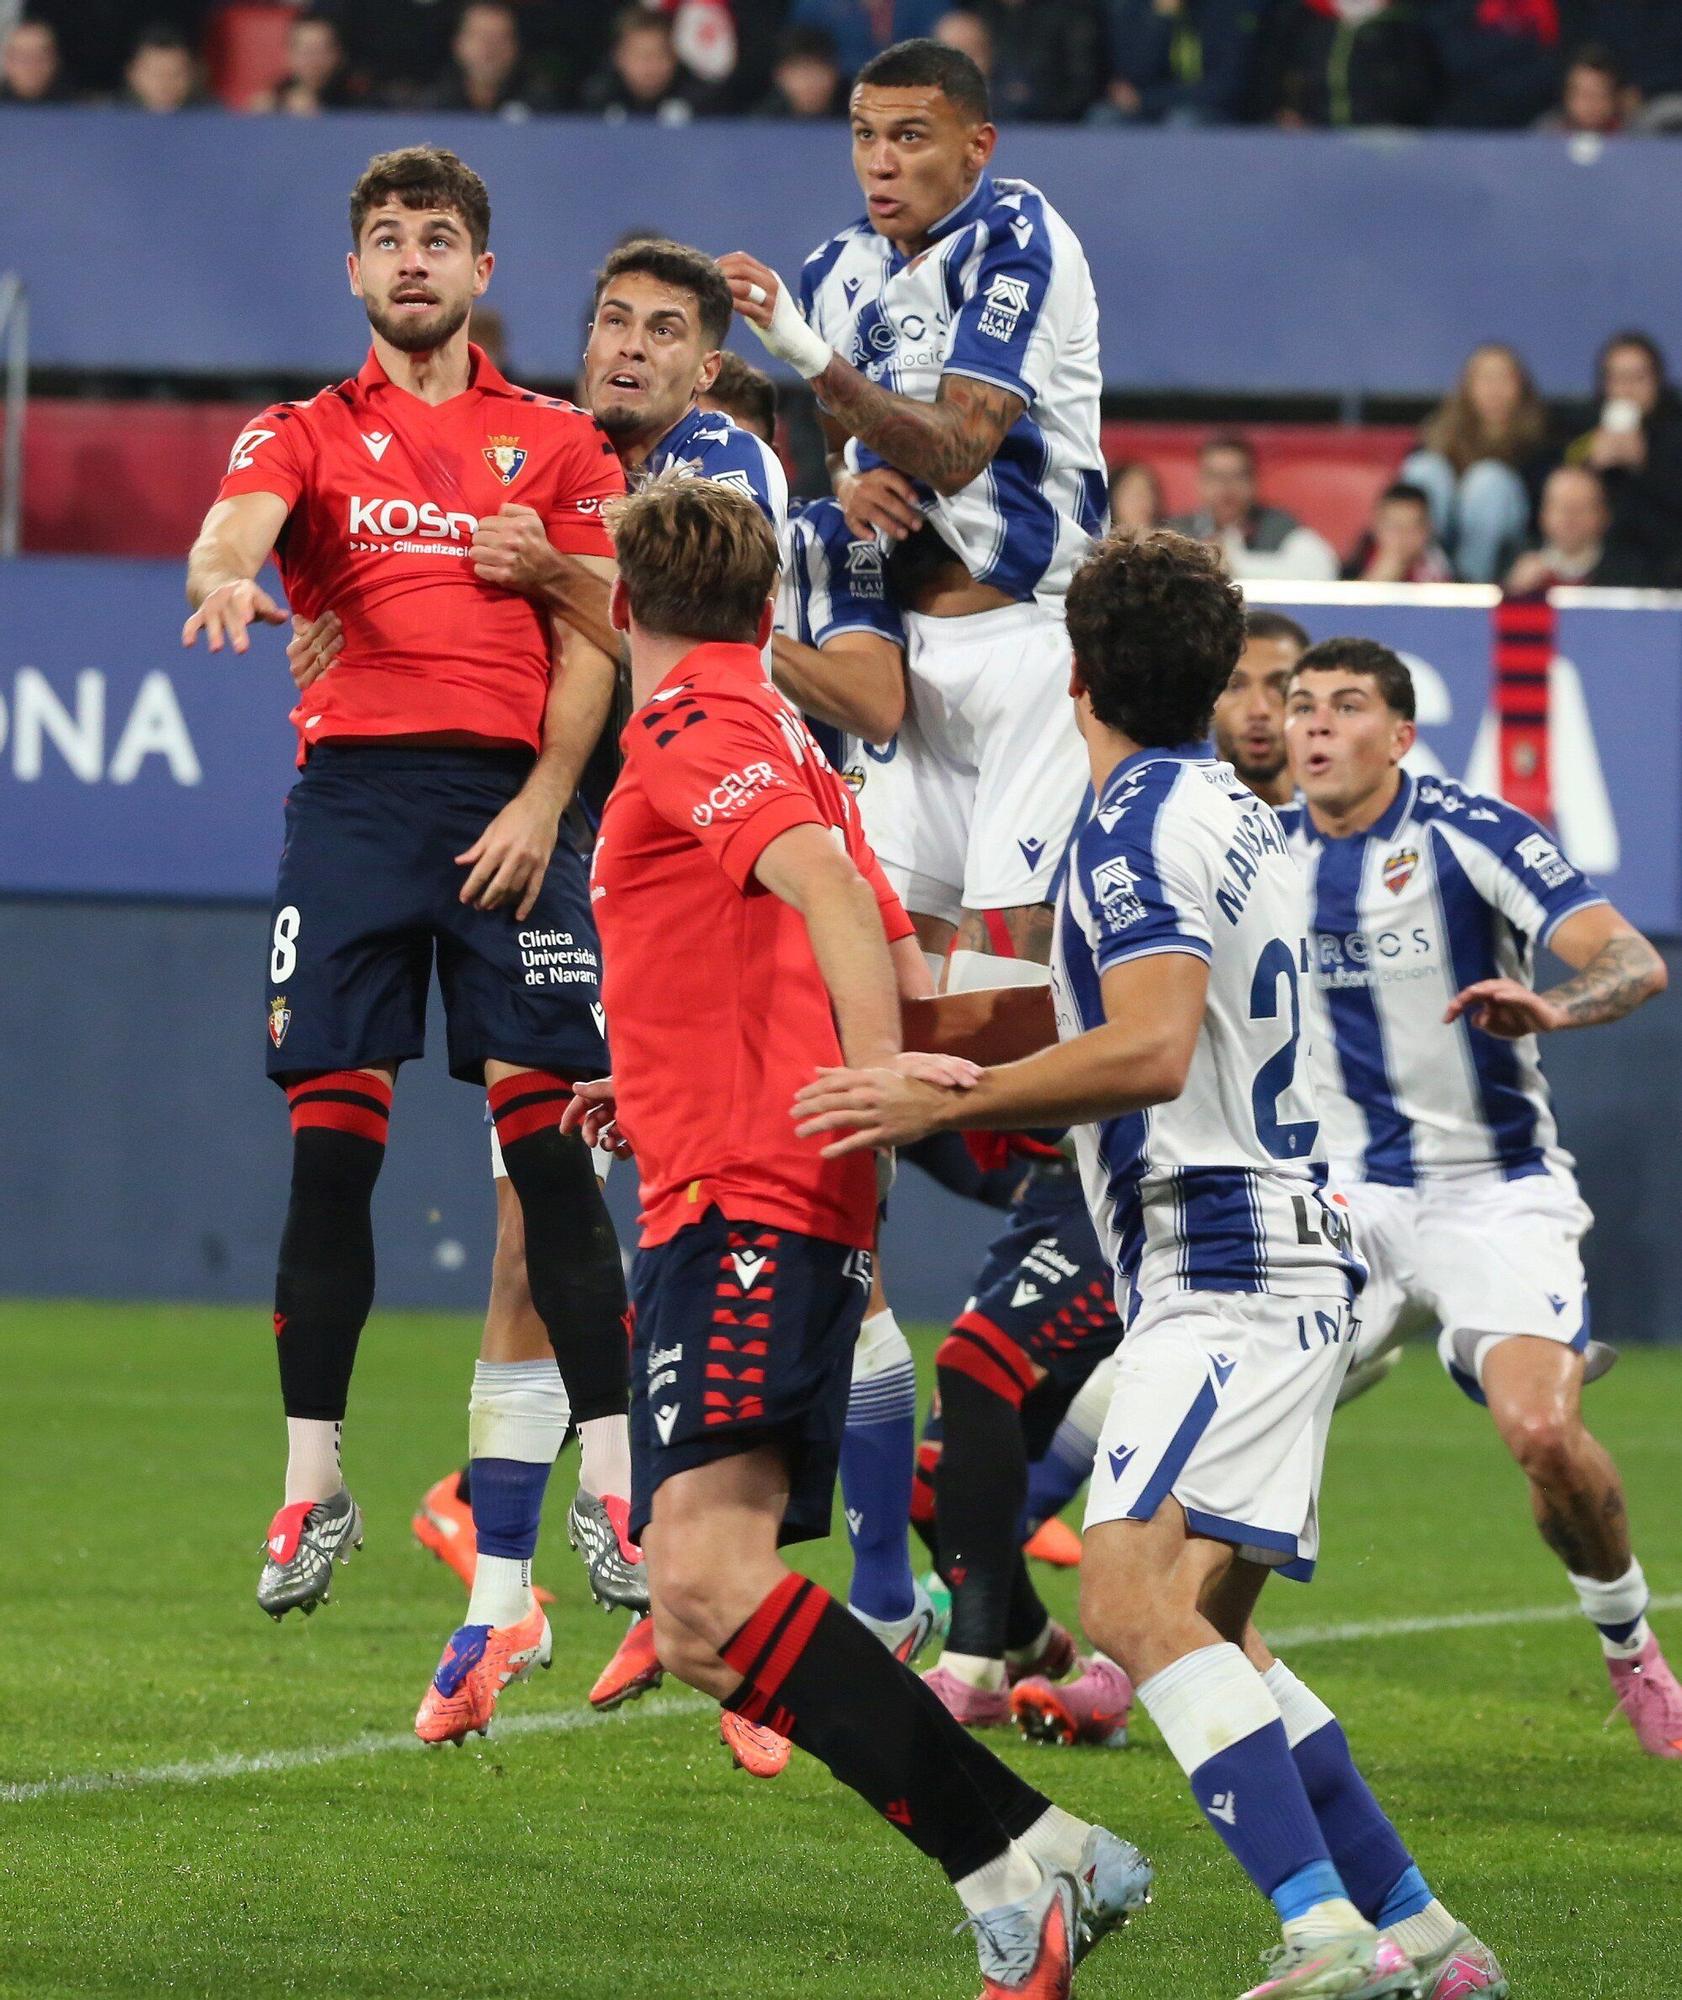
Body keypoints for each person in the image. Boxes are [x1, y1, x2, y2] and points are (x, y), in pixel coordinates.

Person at [796, 531, 1507, 2000]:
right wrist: (892, 1033)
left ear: (1071, 671)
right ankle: (1422, 1936)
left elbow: (1150, 1044)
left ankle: (1321, 1935)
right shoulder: (1234, 811)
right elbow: (1105, 1007)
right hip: (1276, 1254)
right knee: (1208, 1633)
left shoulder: (1126, 828)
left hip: (1225, 1259)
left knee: (1123, 1597)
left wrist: (942, 1096)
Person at [568, 474, 1152, 2000]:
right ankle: (1042, 1858)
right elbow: (880, 954)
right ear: (772, 613)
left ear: (624, 607)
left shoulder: (697, 730)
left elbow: (830, 902)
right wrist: (652, 1075)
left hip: (754, 1203)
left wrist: (882, 1078)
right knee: (702, 1612)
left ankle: (1013, 1871)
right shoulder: (797, 748)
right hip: (744, 1182)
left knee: (699, 1583)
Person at [179, 151, 634, 1708]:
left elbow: (603, 634)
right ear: (356, 274)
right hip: (356, 810)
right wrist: (232, 576)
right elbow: (236, 523)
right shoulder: (305, 428)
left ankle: (618, 1489)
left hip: (516, 805)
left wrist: (548, 798)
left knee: (552, 1142)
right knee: (330, 1146)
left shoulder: (559, 440)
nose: (413, 260)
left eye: (438, 238)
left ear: (482, 268)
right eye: (386, 238)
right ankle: (315, 1481)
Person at [1282, 637, 1681, 1763]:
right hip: (1337, 1199)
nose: (1314, 725)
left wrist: (1552, 1004)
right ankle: (1137, 1651)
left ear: (1398, 734)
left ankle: (1627, 1643)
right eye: (1301, 704)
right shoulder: (1256, 846)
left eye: (1344, 705)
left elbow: (1629, 961)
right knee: (1217, 1421)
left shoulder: (1467, 829)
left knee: (1541, 1430)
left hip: (1487, 1193)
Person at [721, 37, 1104, 982]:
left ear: (979, 145)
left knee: (1015, 952)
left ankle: (1042, 1137)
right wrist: (851, 477)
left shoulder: (1023, 242)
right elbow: (856, 430)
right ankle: (920, 1135)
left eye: (910, 137)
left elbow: (960, 446)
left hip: (1032, 638)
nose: (880, 161)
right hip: (905, 651)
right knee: (898, 961)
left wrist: (804, 351)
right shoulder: (832, 270)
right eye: (863, 136)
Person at [1401, 343, 1550, 583]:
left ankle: (1470, 587)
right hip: (1442, 546)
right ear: (1466, 387)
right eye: (1485, 378)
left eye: (1504, 378)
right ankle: (1426, 571)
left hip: (1507, 554)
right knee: (1425, 468)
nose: (1494, 389)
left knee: (1489, 480)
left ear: (1522, 387)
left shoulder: (1542, 441)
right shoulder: (1437, 434)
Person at [1562, 329, 1682, 586]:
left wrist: (1645, 465)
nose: (1626, 389)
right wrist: (1589, 468)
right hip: (1596, 561)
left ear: (1657, 381)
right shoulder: (1584, 429)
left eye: (1637, 378)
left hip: (1666, 561)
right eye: (1617, 378)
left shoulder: (1675, 431)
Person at [1169, 434, 1338, 582]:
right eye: (1216, 477)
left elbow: (1322, 570)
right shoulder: (1179, 531)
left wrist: (1237, 565)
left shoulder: (1281, 527)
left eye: (1237, 476)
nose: (1226, 488)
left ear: (1253, 482)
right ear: (1200, 483)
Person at [1091, 0, 1259, 124]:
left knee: (1183, 121)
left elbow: (1224, 85)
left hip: (1211, 110)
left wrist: (1147, 100)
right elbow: (1133, 75)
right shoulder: (1137, 9)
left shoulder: (1227, 10)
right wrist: (1161, 19)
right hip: (1150, 107)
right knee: (1104, 118)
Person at [1212, 608, 1307, 809]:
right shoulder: (1179, 821)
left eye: (1280, 686)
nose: (1259, 710)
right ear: (1210, 697)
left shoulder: (1347, 816)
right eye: (1235, 686)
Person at [1504, 463, 1652, 592]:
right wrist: (1513, 592)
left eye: (1580, 509)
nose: (1569, 518)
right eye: (1561, 508)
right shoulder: (1514, 562)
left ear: (1603, 515)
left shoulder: (1628, 573)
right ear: (1543, 513)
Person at [581, 8, 711, 123]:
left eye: (660, 55)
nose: (650, 66)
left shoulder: (704, 103)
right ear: (619, 57)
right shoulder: (595, 101)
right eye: (640, 55)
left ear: (676, 57)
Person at [423, 1, 551, 117]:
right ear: (458, 44)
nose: (490, 49)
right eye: (481, 38)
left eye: (500, 39)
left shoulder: (543, 108)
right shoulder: (432, 107)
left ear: (515, 47)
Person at [250, 10, 364, 114]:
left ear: (338, 54)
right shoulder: (275, 99)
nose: (313, 61)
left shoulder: (359, 99)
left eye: (321, 51)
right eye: (305, 52)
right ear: (289, 55)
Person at [1340, 482, 1453, 584]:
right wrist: (1377, 579)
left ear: (1428, 529)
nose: (1402, 536)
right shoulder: (1354, 566)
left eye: (1412, 527)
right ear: (1375, 526)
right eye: (1393, 527)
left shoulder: (1440, 568)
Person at [1536, 42, 1637, 133]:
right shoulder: (1544, 137)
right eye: (1583, 94)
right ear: (1566, 95)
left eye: (1599, 94)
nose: (1590, 103)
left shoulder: (1635, 138)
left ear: (1615, 96)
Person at [754, 25, 846, 117]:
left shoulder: (854, 116)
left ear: (835, 72)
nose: (811, 82)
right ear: (780, 75)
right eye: (802, 72)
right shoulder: (760, 124)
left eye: (818, 70)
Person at [123, 23, 202, 111]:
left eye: (176, 73)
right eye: (156, 73)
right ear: (132, 74)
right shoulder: (109, 119)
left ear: (193, 75)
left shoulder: (214, 119)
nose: (165, 82)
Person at [0, 16, 72, 103]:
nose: (31, 66)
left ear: (54, 61)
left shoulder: (81, 109)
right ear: (8, 61)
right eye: (23, 58)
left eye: (40, 58)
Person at [1107, 459, 1162, 535]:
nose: (1145, 503)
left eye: (1148, 495)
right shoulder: (1095, 541)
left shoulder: (1166, 543)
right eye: (1136, 495)